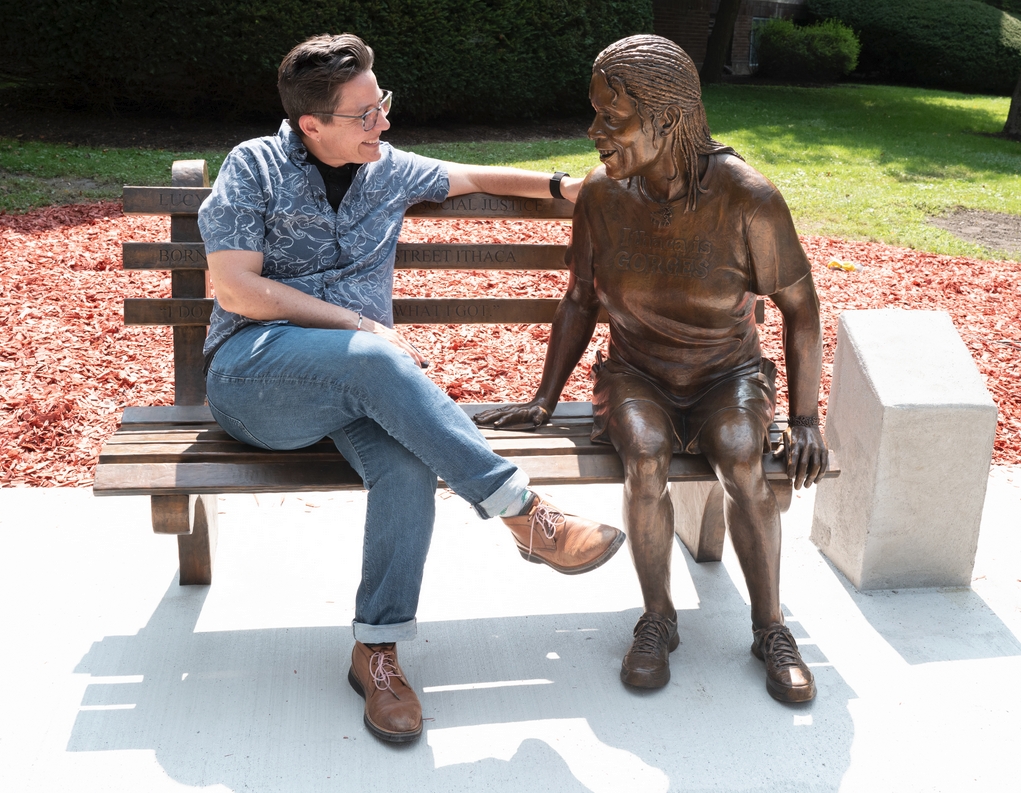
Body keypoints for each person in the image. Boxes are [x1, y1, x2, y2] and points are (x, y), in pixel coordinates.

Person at [197, 33, 624, 744]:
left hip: (359, 385)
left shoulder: (386, 169)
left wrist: (560, 188)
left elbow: (469, 175)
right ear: (312, 124)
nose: (383, 123)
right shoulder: (255, 166)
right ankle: (522, 512)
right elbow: (235, 289)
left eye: (382, 104)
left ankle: (377, 651)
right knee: (374, 356)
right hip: (256, 378)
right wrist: (352, 322)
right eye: (364, 114)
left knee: (405, 466)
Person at [474, 34, 828, 703]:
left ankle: (770, 626)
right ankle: (657, 618)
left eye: (611, 119)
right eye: (595, 115)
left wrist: (806, 417)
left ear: (666, 120)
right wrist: (543, 399)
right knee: (643, 454)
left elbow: (800, 310)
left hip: (728, 374)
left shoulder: (747, 198)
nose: (594, 132)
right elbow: (579, 298)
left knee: (740, 454)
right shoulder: (604, 198)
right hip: (637, 373)